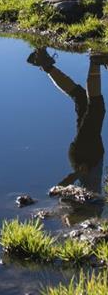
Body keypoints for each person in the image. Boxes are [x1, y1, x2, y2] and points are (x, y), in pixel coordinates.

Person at [27, 47, 106, 223]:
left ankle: (95, 61)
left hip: (86, 157)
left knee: (96, 108)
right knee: (81, 98)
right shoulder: (89, 208)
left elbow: (54, 191)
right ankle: (45, 64)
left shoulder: (83, 207)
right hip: (90, 156)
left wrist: (78, 174)